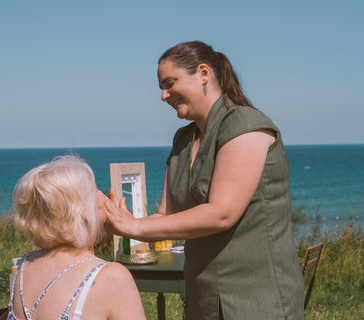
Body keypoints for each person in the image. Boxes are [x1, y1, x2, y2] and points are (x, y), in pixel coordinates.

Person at [103, 41, 305, 319]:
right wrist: (118, 221)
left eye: (170, 83)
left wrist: (135, 227)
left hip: (256, 300)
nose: (163, 95)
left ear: (203, 74)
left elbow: (222, 213)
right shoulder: (183, 139)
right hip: (203, 296)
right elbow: (165, 215)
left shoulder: (244, 124)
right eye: (161, 87)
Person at [8, 155, 146, 320]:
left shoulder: (26, 266)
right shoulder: (112, 276)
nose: (105, 197)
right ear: (82, 209)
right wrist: (130, 226)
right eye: (95, 190)